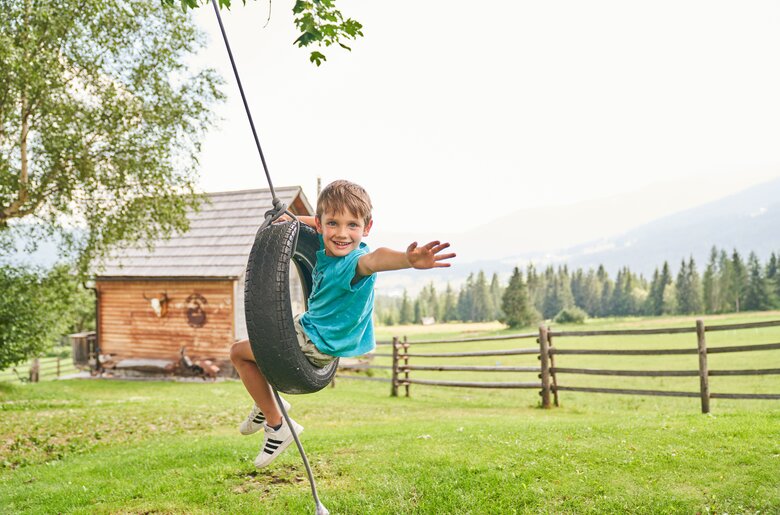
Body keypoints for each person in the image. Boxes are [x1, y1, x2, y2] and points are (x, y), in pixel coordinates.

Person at [230, 180, 456, 468]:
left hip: (316, 340)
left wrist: (407, 259)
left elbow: (376, 259)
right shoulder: (328, 252)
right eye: (333, 223)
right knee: (258, 354)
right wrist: (287, 218)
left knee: (239, 353)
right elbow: (308, 223)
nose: (341, 233)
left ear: (367, 228)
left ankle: (277, 424)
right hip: (312, 329)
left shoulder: (355, 262)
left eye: (352, 225)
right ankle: (270, 405)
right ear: (321, 225)